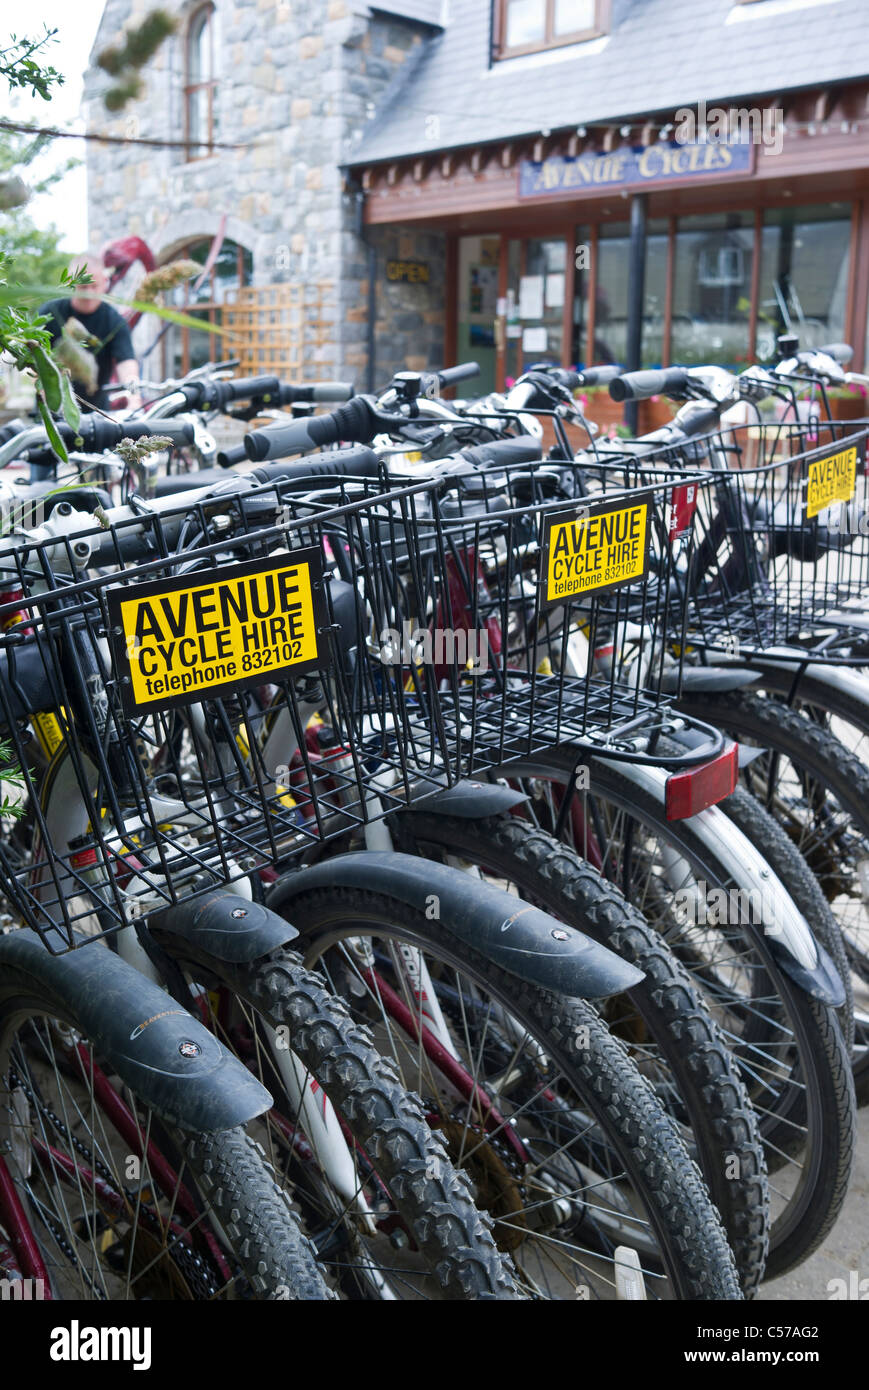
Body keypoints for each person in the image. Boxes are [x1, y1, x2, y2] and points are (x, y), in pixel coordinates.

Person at [39, 253, 141, 411]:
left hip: (97, 412)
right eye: (83, 286)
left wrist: (134, 397)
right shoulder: (49, 313)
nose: (89, 293)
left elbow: (126, 364)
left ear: (105, 283)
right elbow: (34, 359)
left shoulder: (114, 321)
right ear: (70, 283)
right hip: (51, 409)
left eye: (94, 286)